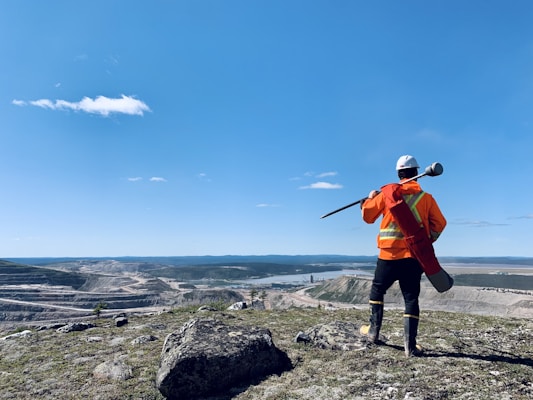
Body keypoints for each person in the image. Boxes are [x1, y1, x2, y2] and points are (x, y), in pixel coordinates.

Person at [359, 155, 447, 357]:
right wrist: (426, 241)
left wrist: (368, 200)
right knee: (410, 298)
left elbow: (368, 216)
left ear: (399, 174)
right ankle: (410, 347)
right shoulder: (426, 199)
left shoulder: (386, 195)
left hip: (388, 256)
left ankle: (373, 333)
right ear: (417, 173)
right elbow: (440, 224)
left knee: (377, 291)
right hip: (412, 257)